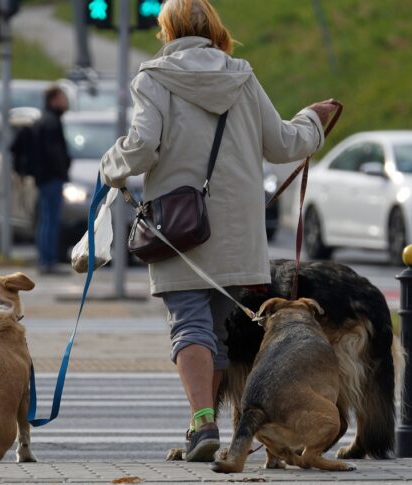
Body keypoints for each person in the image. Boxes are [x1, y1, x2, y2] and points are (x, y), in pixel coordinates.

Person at [99, 0, 339, 462]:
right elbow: (284, 143)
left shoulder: (154, 79)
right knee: (216, 331)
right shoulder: (242, 76)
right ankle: (200, 426)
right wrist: (313, 119)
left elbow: (144, 144)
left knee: (188, 325)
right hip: (237, 233)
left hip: (180, 228)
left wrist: (111, 166)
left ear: (166, 30)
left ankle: (202, 423)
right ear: (215, 27)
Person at [33, 86, 72, 274]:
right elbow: (53, 153)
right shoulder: (51, 122)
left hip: (45, 178)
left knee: (46, 219)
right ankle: (47, 260)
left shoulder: (46, 119)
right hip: (51, 178)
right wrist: (62, 169)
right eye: (63, 98)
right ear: (54, 100)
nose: (66, 101)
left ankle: (45, 259)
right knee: (50, 220)